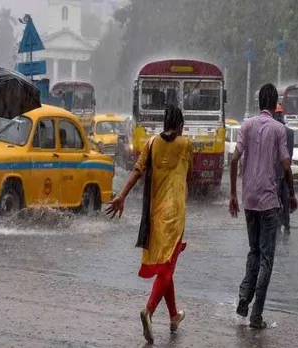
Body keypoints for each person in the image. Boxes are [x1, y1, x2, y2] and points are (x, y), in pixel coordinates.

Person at [106, 105, 191, 344]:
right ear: (181, 125)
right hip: (175, 217)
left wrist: (121, 196)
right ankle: (149, 311)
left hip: (154, 214)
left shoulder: (152, 144)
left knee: (165, 265)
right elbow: (189, 176)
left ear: (164, 123)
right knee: (168, 267)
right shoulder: (185, 145)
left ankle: (174, 316)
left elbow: (136, 171)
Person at [229, 84, 298, 329]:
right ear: (274, 104)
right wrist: (291, 195)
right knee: (267, 258)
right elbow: (286, 166)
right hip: (269, 202)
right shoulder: (279, 130)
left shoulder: (246, 126)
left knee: (253, 252)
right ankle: (256, 315)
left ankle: (243, 300)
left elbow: (234, 159)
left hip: (248, 200)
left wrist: (233, 195)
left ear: (259, 101)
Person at [274, 104, 294, 233]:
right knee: (285, 199)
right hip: (285, 171)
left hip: (272, 174)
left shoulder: (270, 131)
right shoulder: (290, 133)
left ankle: (276, 225)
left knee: (274, 202)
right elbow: (289, 155)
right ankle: (286, 225)